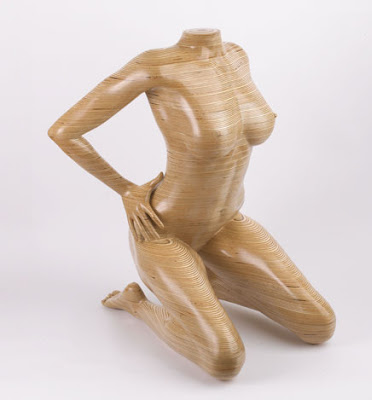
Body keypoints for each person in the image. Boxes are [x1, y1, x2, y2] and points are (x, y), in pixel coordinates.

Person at [48, 28, 335, 380]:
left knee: (319, 325)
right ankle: (136, 303)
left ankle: (204, 285)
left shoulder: (235, 55)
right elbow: (64, 131)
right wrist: (125, 190)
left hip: (225, 224)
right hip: (164, 232)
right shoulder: (156, 65)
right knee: (224, 360)